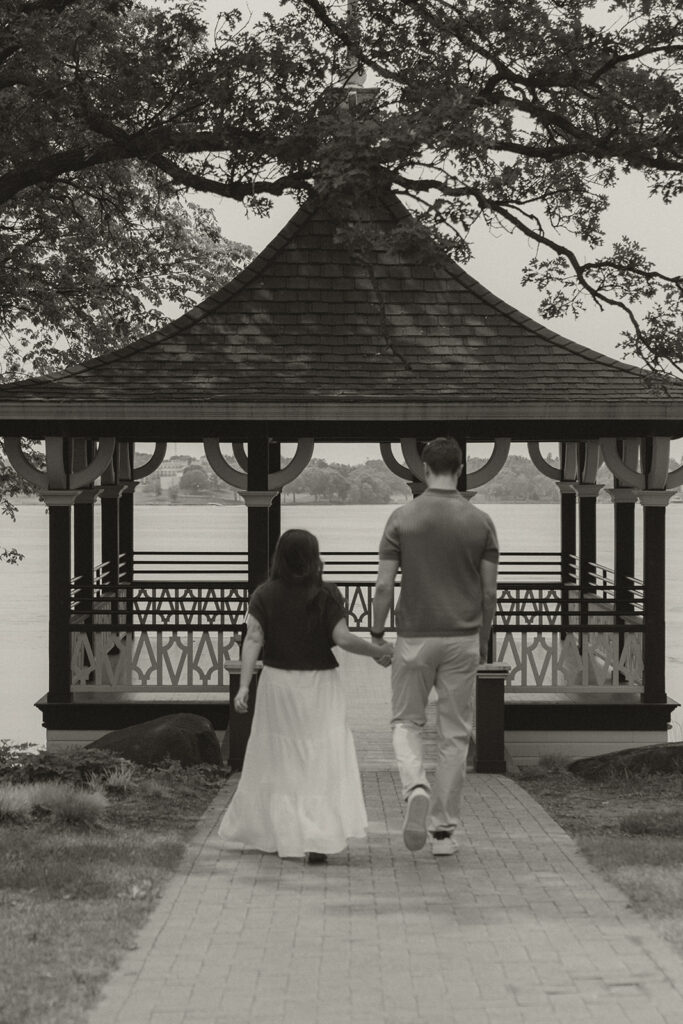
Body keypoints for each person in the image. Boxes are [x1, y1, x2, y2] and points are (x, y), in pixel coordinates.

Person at [218, 528, 393, 863]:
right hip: (319, 687)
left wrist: (243, 686)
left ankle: (283, 833)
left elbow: (253, 638)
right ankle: (318, 835)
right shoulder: (326, 593)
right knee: (320, 757)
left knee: (281, 758)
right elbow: (341, 638)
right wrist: (377, 651)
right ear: (314, 557)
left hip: (277, 684)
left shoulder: (264, 594)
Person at [370, 437, 499, 856]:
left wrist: (376, 633)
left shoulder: (401, 518)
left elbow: (385, 585)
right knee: (454, 736)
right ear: (460, 469)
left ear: (424, 470)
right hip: (462, 639)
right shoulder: (481, 523)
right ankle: (443, 832)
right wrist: (482, 641)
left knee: (406, 723)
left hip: (413, 638)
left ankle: (414, 786)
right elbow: (489, 593)